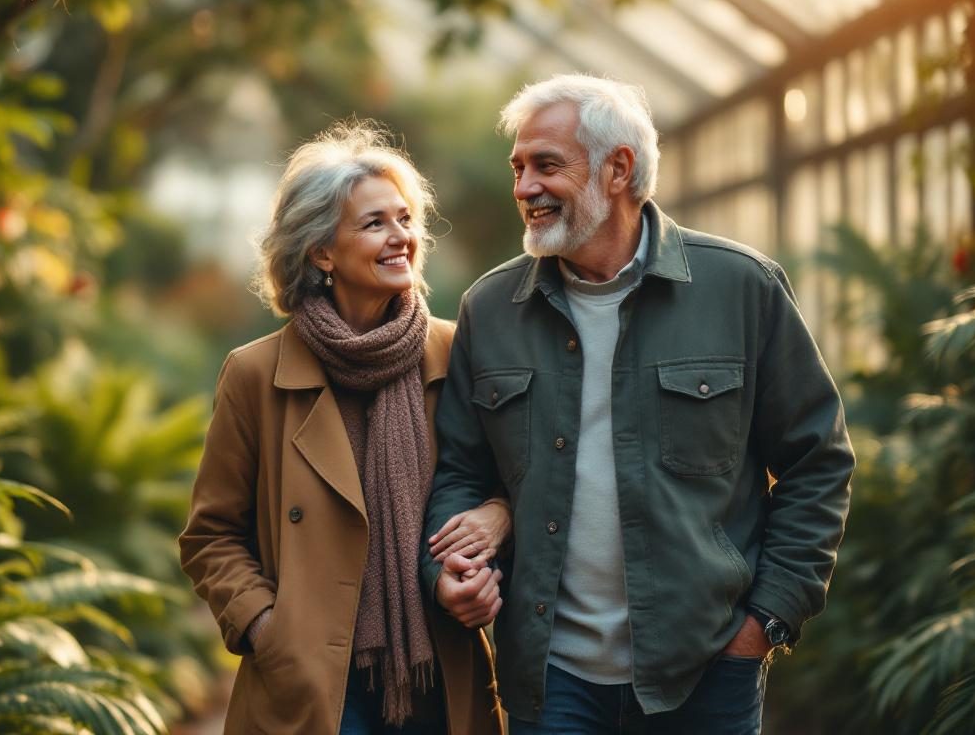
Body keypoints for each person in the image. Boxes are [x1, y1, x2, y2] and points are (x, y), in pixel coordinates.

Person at [421, 74, 855, 734]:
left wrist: (765, 623)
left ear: (617, 168)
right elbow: (460, 471)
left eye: (545, 165)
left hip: (706, 673)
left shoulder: (742, 288)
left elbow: (816, 464)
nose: (523, 188)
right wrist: (449, 573)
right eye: (517, 168)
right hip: (549, 680)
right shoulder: (490, 308)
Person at [179, 121, 506, 735]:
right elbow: (211, 536)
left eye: (405, 219)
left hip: (441, 674)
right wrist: (269, 629)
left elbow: (506, 487)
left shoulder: (456, 354)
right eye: (375, 223)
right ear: (321, 252)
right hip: (311, 687)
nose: (401, 237)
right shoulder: (255, 374)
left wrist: (495, 531)